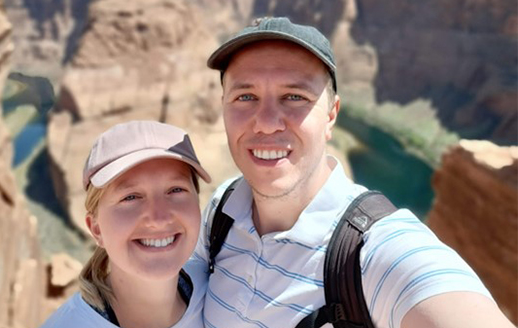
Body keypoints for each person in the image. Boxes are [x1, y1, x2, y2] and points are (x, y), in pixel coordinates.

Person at [193, 17, 514, 328]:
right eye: (245, 96)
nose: (266, 122)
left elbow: (437, 291)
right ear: (223, 105)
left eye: (294, 97)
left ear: (332, 115)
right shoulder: (224, 209)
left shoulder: (376, 253)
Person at [40, 120, 212, 328]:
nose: (159, 219)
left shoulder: (222, 294)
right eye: (131, 197)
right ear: (96, 228)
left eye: (175, 190)